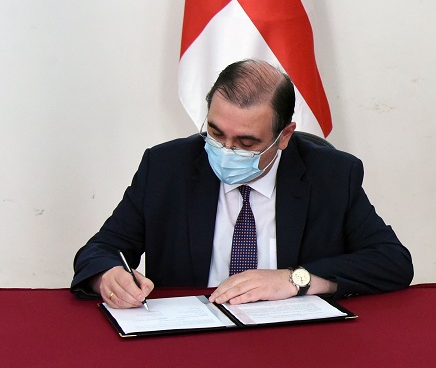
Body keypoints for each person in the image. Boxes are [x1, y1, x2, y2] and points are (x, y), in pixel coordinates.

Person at [72, 59, 412, 306]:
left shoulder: (331, 175)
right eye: (216, 133)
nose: (226, 150)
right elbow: (100, 251)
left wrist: (295, 279)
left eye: (246, 142)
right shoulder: (166, 168)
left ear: (284, 136)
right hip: (190, 342)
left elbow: (392, 261)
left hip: (292, 342)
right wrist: (109, 276)